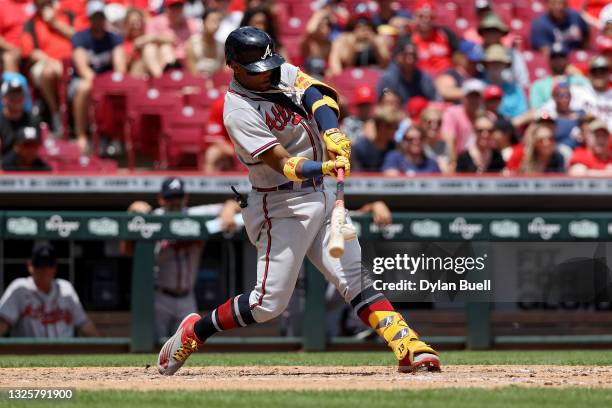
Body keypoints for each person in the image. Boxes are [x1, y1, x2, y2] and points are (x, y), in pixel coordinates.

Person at [156, 26, 440, 376]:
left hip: (322, 193)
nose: (268, 75)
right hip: (281, 206)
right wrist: (325, 164)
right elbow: (283, 163)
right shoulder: (237, 110)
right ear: (235, 68)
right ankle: (195, 331)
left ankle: (407, 344)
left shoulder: (277, 69)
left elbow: (318, 96)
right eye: (257, 71)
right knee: (267, 304)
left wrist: (332, 131)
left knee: (353, 276)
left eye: (269, 66)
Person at [121, 177, 242, 340]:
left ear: (185, 198)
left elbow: (233, 203)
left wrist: (228, 210)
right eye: (170, 198)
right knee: (153, 345)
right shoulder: (153, 218)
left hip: (187, 297)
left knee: (189, 344)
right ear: (161, 199)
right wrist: (133, 210)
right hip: (159, 296)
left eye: (178, 197)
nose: (175, 202)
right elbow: (126, 250)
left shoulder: (193, 215)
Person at [0, 243, 99, 337]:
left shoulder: (66, 288)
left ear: (55, 267)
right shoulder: (19, 289)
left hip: (65, 352)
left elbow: (84, 325)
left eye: (49, 264)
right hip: (31, 352)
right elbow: (2, 324)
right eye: (40, 265)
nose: (45, 270)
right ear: (30, 266)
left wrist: (107, 349)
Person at [70, 0, 126, 154]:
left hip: (107, 82)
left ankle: (116, 137)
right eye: (95, 17)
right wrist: (99, 85)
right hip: (83, 81)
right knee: (85, 87)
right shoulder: (80, 38)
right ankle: (81, 134)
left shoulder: (114, 38)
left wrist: (108, 84)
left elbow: (120, 68)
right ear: (89, 19)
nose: (99, 21)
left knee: (121, 89)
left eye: (101, 17)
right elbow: (83, 69)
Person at [20, 0, 74, 136]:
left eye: (47, 3)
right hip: (45, 63)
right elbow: (30, 52)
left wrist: (55, 23)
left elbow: (79, 38)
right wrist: (51, 61)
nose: (44, 6)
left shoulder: (67, 16)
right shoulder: (30, 24)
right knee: (48, 73)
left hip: (72, 63)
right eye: (40, 4)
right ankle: (56, 114)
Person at [144, 0, 201, 77]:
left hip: (187, 60)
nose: (177, 10)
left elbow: (197, 44)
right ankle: (161, 79)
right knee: (156, 48)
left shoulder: (191, 23)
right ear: (166, 9)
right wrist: (162, 39)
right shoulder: (155, 22)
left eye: (179, 7)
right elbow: (146, 40)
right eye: (173, 7)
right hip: (162, 60)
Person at [376, 36, 437, 105]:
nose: (410, 58)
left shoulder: (424, 78)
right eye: (406, 54)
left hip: (419, 113)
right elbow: (384, 92)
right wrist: (388, 95)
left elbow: (433, 99)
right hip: (396, 112)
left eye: (413, 55)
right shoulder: (389, 77)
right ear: (398, 57)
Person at [529, 42, 591, 109]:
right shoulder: (539, 85)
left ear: (567, 60)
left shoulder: (580, 80)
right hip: (550, 117)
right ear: (549, 60)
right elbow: (535, 110)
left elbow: (590, 101)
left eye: (561, 57)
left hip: (577, 116)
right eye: (554, 57)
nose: (558, 60)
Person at [441, 79, 486, 168]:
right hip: (460, 163)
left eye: (476, 97)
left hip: (479, 162)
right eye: (470, 96)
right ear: (463, 97)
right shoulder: (452, 113)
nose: (473, 100)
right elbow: (449, 142)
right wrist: (453, 164)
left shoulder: (485, 117)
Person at [410, 0, 459, 77]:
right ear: (415, 17)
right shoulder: (409, 37)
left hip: (446, 75)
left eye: (430, 17)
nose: (426, 20)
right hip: (420, 78)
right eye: (421, 16)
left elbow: (460, 52)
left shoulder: (444, 33)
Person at [482, 45, 528, 119]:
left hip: (510, 128)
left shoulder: (515, 90)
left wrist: (508, 124)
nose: (495, 66)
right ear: (487, 65)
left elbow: (523, 113)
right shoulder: (479, 87)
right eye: (492, 63)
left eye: (499, 63)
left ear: (505, 65)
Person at [353, 104, 401, 171]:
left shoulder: (394, 147)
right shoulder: (361, 148)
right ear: (382, 127)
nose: (397, 130)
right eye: (394, 127)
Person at [0, 79, 37, 156]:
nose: (17, 98)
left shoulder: (32, 120)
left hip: (28, 165)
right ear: (4, 98)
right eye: (12, 95)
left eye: (19, 94)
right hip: (4, 165)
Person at [186, 8, 225, 76]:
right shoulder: (192, 44)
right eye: (213, 21)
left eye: (219, 21)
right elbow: (192, 71)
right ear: (204, 22)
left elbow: (223, 71)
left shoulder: (222, 46)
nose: (216, 24)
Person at [0, 0, 34, 72]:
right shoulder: (2, 5)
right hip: (11, 49)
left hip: (33, 50)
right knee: (8, 58)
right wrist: (12, 48)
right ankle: (14, 82)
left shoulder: (32, 3)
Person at [300, 8, 333, 78]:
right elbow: (310, 30)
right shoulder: (308, 42)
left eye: (328, 25)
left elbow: (332, 68)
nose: (326, 29)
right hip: (306, 78)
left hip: (322, 79)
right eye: (322, 26)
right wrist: (318, 16)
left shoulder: (329, 44)